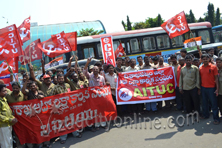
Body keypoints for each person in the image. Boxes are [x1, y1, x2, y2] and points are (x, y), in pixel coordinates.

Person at [84, 58, 106, 130]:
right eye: (94, 69)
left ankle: (103, 124)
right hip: (93, 97)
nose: (95, 70)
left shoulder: (102, 77)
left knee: (102, 110)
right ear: (92, 70)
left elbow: (104, 86)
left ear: (99, 70)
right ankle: (97, 125)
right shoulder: (90, 76)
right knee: (95, 111)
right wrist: (88, 62)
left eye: (97, 69)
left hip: (101, 96)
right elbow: (84, 71)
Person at [199, 54, 220, 125]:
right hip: (203, 88)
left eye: (206, 59)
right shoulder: (200, 68)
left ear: (209, 59)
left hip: (211, 88)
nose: (205, 60)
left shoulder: (214, 67)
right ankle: (205, 115)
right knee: (205, 103)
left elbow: (216, 79)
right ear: (201, 60)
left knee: (214, 104)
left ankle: (216, 118)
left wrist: (217, 89)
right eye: (203, 59)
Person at [0, 84, 18, 148]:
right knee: (5, 144)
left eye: (6, 91)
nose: (6, 92)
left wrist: (12, 118)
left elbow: (8, 111)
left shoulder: (4, 99)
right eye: (3, 91)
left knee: (9, 142)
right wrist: (10, 119)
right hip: (3, 126)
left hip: (8, 124)